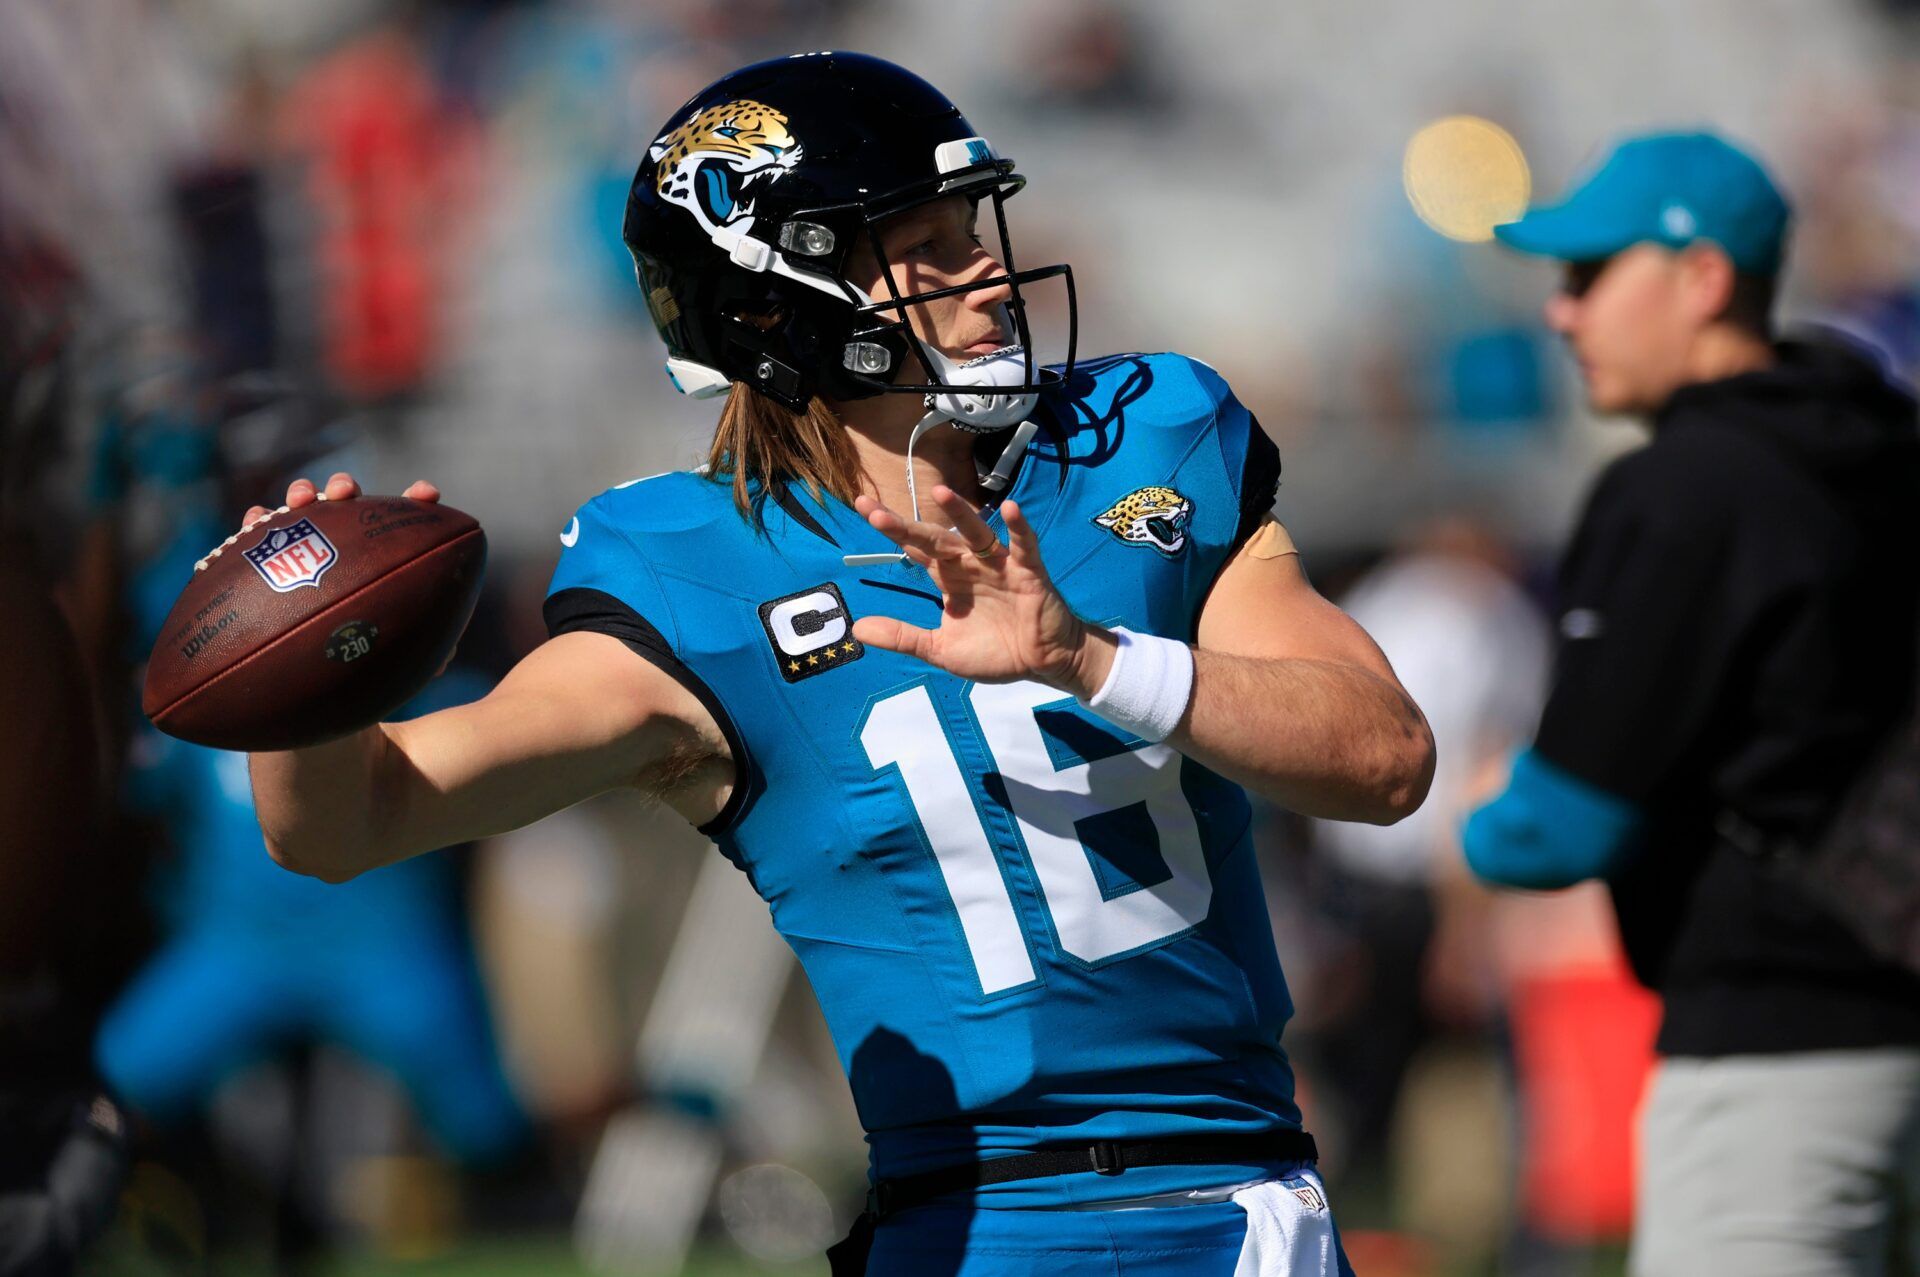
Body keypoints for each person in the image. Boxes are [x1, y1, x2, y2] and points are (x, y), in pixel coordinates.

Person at [240, 53, 1434, 1276]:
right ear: (777, 309)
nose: (985, 274)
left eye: (970, 227)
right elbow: (350, 819)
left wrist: (1090, 656)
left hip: (1238, 1202)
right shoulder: (692, 574)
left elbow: (1384, 756)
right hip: (972, 1227)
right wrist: (299, 669)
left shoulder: (1143, 436)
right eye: (921, 249)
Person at [1463, 131, 1920, 1276]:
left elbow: (1557, 827)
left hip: (1782, 1038)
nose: (1563, 315)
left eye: (1589, 277)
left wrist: (1467, 812)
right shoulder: (1881, 443)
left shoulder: (1685, 483)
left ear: (1703, 278)